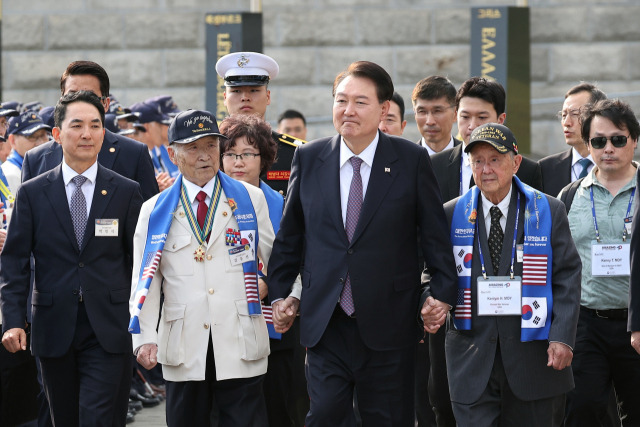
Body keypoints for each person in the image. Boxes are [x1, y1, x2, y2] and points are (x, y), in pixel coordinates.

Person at [266, 60, 458, 426]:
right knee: (323, 415)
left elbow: (434, 237)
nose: (348, 110)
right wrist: (281, 294)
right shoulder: (310, 158)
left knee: (385, 418)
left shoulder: (410, 159)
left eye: (360, 102)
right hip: (327, 322)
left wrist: (441, 292)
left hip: (390, 321)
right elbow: (290, 237)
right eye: (341, 100)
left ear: (384, 109)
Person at [0, 90, 144, 426]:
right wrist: (12, 321)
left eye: (95, 125)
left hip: (108, 326)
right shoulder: (33, 193)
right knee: (62, 417)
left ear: (103, 134)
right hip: (53, 326)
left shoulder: (125, 191)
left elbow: (139, 261)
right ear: (56, 134)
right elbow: (15, 261)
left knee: (97, 417)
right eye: (77, 125)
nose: (86, 134)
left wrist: (144, 325)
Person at [423, 122, 581, 426]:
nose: (486, 170)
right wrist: (430, 299)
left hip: (533, 359)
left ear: (516, 162)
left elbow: (568, 276)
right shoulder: (450, 213)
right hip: (471, 359)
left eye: (495, 159)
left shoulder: (547, 210)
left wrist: (562, 337)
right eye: (478, 161)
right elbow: (433, 272)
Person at [130, 109, 278, 427]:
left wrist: (269, 284)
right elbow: (145, 280)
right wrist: (143, 338)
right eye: (194, 147)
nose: (205, 156)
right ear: (173, 153)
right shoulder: (154, 210)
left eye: (211, 146)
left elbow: (279, 260)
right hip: (184, 344)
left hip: (240, 340)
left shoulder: (251, 199)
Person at [559, 98, 640, 426]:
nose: (608, 148)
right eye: (598, 141)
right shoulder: (570, 195)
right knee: (582, 411)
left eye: (618, 139)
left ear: (634, 140)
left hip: (636, 326)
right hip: (586, 325)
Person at [219, 113, 303, 427]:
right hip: (221, 328)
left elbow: (298, 263)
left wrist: (272, 285)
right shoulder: (208, 202)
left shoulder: (280, 204)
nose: (238, 162)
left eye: (248, 154)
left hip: (273, 327)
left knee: (277, 410)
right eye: (230, 154)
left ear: (264, 158)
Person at [21, 60, 158, 201]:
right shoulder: (35, 160)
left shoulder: (134, 154)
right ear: (61, 101)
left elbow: (148, 217)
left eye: (90, 96)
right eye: (72, 95)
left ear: (105, 104)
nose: (81, 103)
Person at [430, 77, 543, 202]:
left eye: (482, 117)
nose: (472, 126)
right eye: (465, 117)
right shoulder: (434, 166)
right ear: (456, 115)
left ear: (500, 120)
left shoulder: (528, 171)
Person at [216, 51, 305, 195]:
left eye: (254, 90)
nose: (245, 97)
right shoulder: (212, 149)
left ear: (268, 97)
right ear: (225, 98)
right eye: (236, 90)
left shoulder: (296, 154)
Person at [539, 83, 606, 197]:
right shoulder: (545, 169)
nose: (566, 123)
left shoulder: (615, 164)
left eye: (575, 114)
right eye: (564, 115)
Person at [412, 76, 460, 155]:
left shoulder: (470, 156)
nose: (430, 122)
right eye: (422, 111)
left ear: (455, 114)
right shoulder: (405, 160)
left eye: (437, 111)